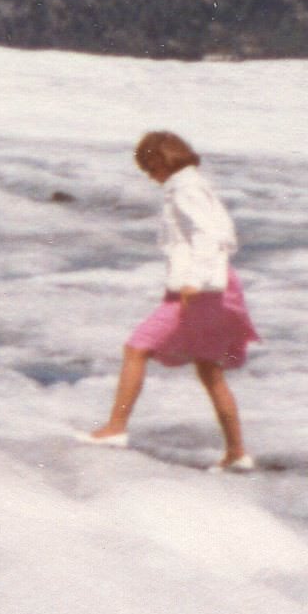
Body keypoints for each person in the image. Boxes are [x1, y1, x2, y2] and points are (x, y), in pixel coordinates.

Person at [80, 131, 258, 471]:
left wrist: (194, 281)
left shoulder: (186, 189)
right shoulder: (193, 185)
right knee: (210, 369)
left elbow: (212, 236)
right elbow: (224, 234)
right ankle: (237, 453)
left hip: (200, 289)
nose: (150, 177)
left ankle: (115, 428)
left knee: (137, 348)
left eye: (149, 169)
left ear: (161, 161)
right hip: (214, 286)